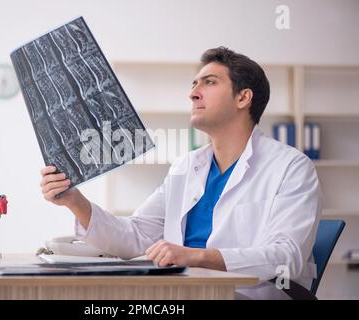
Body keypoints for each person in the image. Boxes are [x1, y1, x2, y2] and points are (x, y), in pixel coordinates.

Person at [39, 47, 321, 299]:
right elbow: (135, 234)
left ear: (243, 98)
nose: (193, 93)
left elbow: (287, 257)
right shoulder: (185, 168)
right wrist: (74, 201)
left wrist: (195, 256)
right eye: (194, 84)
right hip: (185, 292)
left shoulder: (290, 167)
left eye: (209, 82)